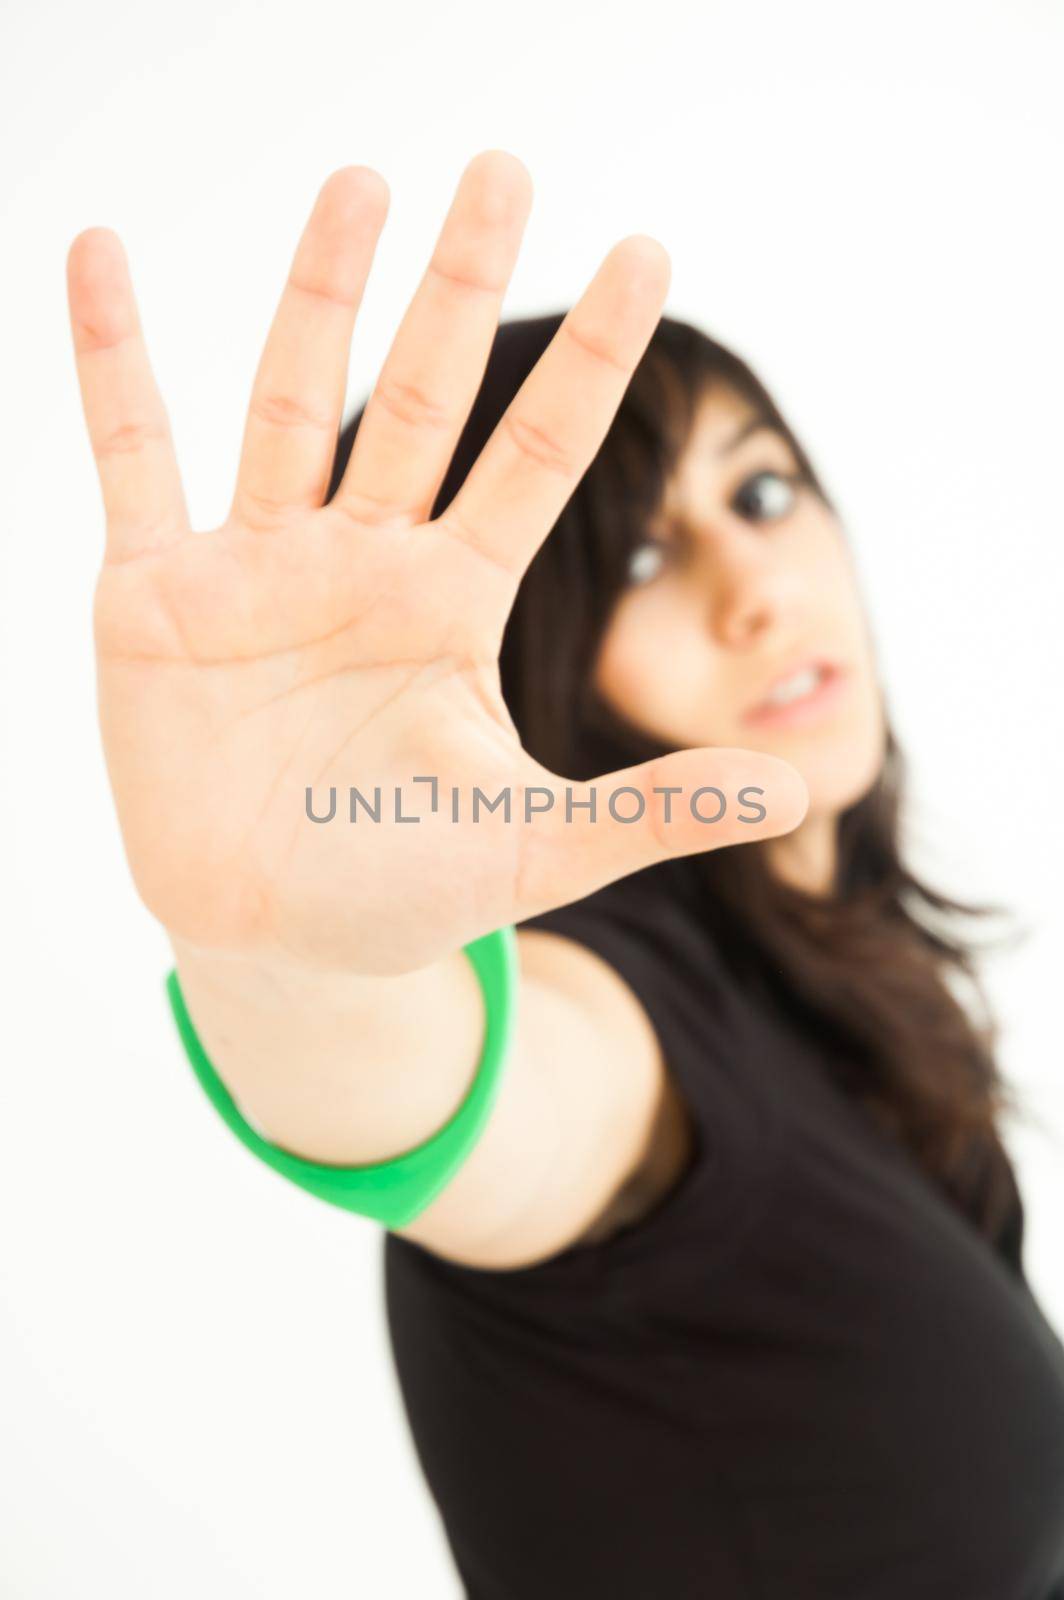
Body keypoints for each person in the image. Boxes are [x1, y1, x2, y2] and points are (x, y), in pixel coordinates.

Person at [67, 150, 1064, 1598]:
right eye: (643, 556)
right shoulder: (623, 1024)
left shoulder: (824, 992)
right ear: (512, 655)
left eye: (765, 490)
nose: (755, 589)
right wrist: (277, 953)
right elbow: (488, 1097)